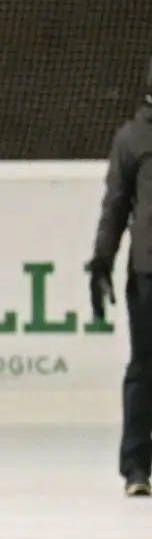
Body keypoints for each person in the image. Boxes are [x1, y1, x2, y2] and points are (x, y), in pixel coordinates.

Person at [88, 65, 152, 495]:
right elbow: (115, 204)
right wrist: (102, 260)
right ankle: (136, 468)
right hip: (148, 270)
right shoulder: (132, 137)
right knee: (145, 366)